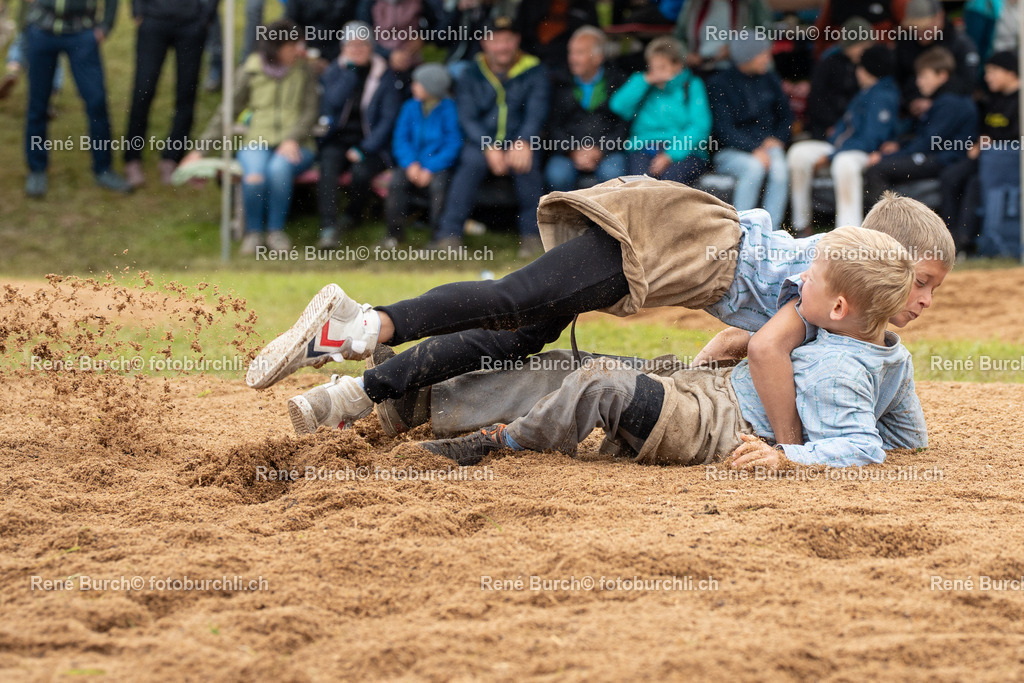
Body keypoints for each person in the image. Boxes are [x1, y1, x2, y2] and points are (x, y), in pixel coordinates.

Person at [370, 192, 956, 441]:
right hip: (668, 239)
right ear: (881, 263)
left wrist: (699, 370)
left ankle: (378, 386)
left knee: (525, 327)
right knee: (514, 305)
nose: (922, 298)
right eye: (919, 282)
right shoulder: (827, 287)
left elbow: (741, 334)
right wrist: (791, 448)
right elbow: (765, 347)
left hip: (678, 234)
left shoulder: (840, 280)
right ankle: (374, 329)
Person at [413, 228, 926, 469]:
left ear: (838, 307)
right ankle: (416, 401)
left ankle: (502, 443)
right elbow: (906, 434)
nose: (799, 279)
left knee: (602, 381)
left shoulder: (842, 367)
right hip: (712, 391)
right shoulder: (880, 347)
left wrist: (788, 457)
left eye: (809, 277)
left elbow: (862, 446)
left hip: (719, 427)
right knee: (576, 365)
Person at [181, 18, 319, 256]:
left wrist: (293, 138)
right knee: (254, 175)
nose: (297, 50)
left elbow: (310, 111)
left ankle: (276, 232)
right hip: (256, 140)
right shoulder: (250, 70)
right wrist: (200, 150)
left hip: (296, 143)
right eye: (291, 46)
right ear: (276, 47)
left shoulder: (304, 70)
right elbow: (227, 112)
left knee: (278, 170)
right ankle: (253, 233)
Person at [432, 14, 550, 257]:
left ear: (516, 40)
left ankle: (533, 237)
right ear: (485, 43)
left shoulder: (535, 70)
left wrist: (524, 141)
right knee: (470, 162)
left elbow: (537, 112)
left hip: (520, 140)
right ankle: (449, 235)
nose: (502, 46)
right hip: (482, 141)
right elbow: (467, 117)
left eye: (507, 39)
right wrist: (489, 145)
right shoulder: (471, 73)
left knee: (527, 164)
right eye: (495, 40)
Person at [22, 0, 132, 197]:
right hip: (42, 30)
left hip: (82, 32)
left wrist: (106, 25)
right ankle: (37, 169)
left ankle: (103, 168)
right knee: (38, 104)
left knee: (96, 101)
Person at [788, 44, 900, 232]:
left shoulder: (883, 95)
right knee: (798, 153)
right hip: (842, 147)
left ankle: (848, 231)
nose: (857, 71)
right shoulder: (866, 91)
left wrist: (830, 157)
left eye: (860, 66)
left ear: (868, 70)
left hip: (865, 153)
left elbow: (870, 141)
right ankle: (801, 225)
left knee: (843, 162)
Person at [314, 22, 401, 250]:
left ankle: (353, 214)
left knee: (360, 172)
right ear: (343, 48)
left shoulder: (384, 75)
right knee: (328, 167)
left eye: (363, 44)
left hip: (372, 142)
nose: (357, 49)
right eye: (352, 45)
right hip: (338, 138)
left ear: (371, 47)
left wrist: (365, 148)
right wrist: (349, 76)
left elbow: (388, 118)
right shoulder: (335, 71)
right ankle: (329, 228)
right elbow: (331, 103)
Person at [864, 46, 978, 209]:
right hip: (938, 155)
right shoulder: (947, 98)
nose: (918, 82)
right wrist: (899, 146)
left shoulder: (950, 102)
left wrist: (887, 157)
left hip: (945, 159)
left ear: (942, 75)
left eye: (923, 76)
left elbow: (928, 144)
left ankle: (887, 226)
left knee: (877, 169)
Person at [123, 0, 218, 188]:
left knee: (186, 92)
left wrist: (206, 13)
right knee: (144, 89)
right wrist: (138, 10)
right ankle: (133, 157)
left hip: (192, 23)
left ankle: (172, 158)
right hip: (153, 20)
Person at [706, 33, 792, 227]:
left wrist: (778, 138)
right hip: (730, 152)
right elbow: (723, 129)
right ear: (747, 56)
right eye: (763, 54)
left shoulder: (770, 78)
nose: (768, 58)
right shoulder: (719, 83)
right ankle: (740, 230)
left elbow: (786, 115)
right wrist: (753, 149)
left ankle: (770, 232)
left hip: (767, 146)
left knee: (780, 171)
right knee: (753, 168)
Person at [941, 50, 1020, 254]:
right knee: (951, 177)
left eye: (994, 71)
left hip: (1008, 165)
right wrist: (980, 141)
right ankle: (950, 240)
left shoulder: (1019, 101)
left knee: (973, 184)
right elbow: (984, 131)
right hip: (985, 160)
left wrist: (993, 143)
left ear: (1011, 72)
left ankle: (963, 242)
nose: (987, 77)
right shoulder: (992, 99)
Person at [610, 36, 712, 185]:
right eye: (652, 67)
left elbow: (700, 126)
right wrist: (644, 81)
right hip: (643, 147)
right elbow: (618, 106)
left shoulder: (692, 85)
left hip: (684, 150)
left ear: (678, 65)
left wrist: (670, 155)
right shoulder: (643, 82)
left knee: (670, 184)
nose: (656, 73)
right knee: (639, 186)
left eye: (662, 67)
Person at [385, 62, 461, 247]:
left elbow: (453, 143)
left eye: (418, 83)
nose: (413, 86)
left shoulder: (450, 109)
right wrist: (410, 163)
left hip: (437, 165)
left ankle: (438, 235)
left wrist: (430, 167)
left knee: (439, 189)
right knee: (396, 184)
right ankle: (394, 235)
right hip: (412, 164)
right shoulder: (410, 107)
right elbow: (400, 139)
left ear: (432, 87)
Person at [544, 26, 628, 192]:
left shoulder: (618, 81)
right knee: (557, 176)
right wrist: (573, 150)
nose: (572, 59)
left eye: (580, 53)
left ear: (598, 57)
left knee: (613, 174)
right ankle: (566, 218)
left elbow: (624, 125)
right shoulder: (559, 82)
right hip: (568, 152)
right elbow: (552, 125)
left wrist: (600, 150)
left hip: (608, 151)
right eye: (571, 53)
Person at [804, 16, 875, 142]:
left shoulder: (870, 64)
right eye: (861, 46)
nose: (864, 51)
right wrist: (833, 125)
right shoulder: (828, 64)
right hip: (829, 124)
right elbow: (816, 100)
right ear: (848, 45)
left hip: (858, 125)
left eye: (867, 47)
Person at [673, 0, 772, 75]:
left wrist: (736, 50)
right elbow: (679, 37)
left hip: (739, 69)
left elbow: (765, 35)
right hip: (699, 68)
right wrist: (686, 55)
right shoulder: (694, 4)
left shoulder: (751, 3)